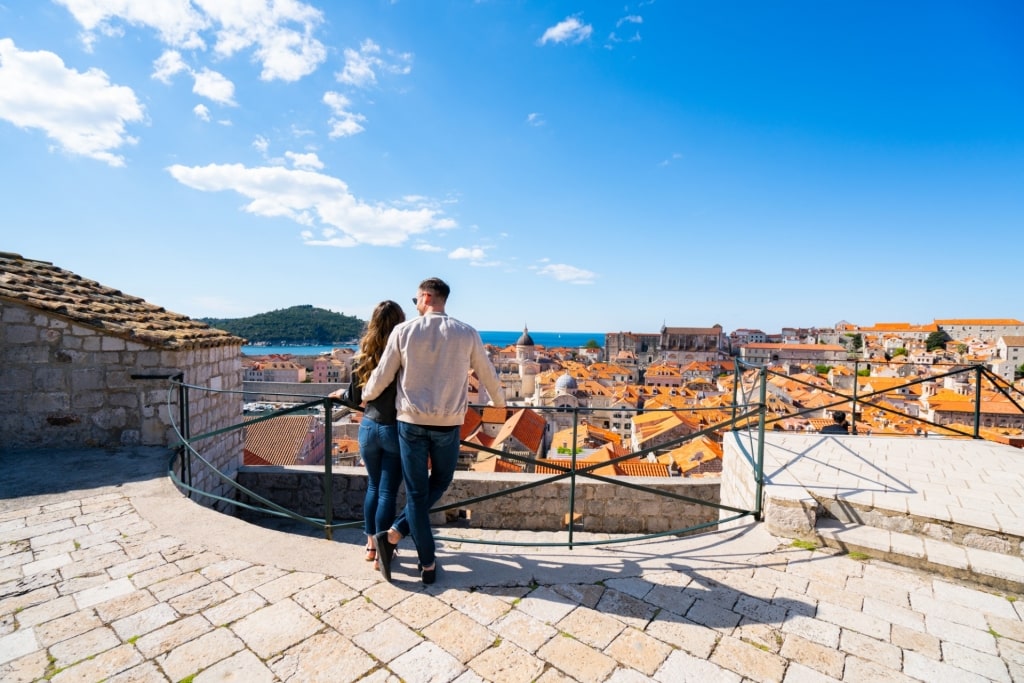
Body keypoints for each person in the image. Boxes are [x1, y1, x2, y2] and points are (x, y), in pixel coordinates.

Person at [362, 277, 506, 584]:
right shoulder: (466, 333)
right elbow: (487, 372)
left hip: (410, 423)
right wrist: (501, 402)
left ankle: (419, 554)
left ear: (426, 297)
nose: (415, 305)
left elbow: (383, 374)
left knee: (416, 494)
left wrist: (365, 396)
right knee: (440, 480)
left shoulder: (404, 331)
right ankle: (406, 541)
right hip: (447, 423)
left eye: (415, 300)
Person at [331, 300, 405, 570]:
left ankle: (371, 547)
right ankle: (385, 550)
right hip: (394, 429)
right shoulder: (402, 357)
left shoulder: (360, 357)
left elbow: (354, 397)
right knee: (387, 491)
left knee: (373, 487)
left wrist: (340, 395)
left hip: (368, 428)